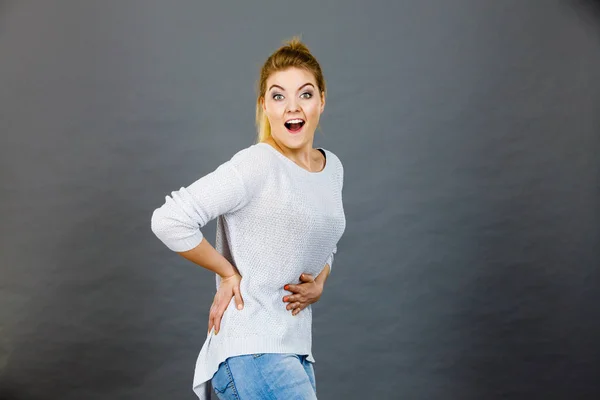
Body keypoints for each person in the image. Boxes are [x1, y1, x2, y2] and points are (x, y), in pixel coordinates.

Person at [151, 37, 346, 400]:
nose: (292, 107)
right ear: (264, 106)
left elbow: (326, 238)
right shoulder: (256, 164)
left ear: (322, 100)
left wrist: (319, 282)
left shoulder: (331, 169)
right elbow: (169, 220)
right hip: (253, 349)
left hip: (296, 349)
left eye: (304, 94)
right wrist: (227, 271)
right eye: (278, 95)